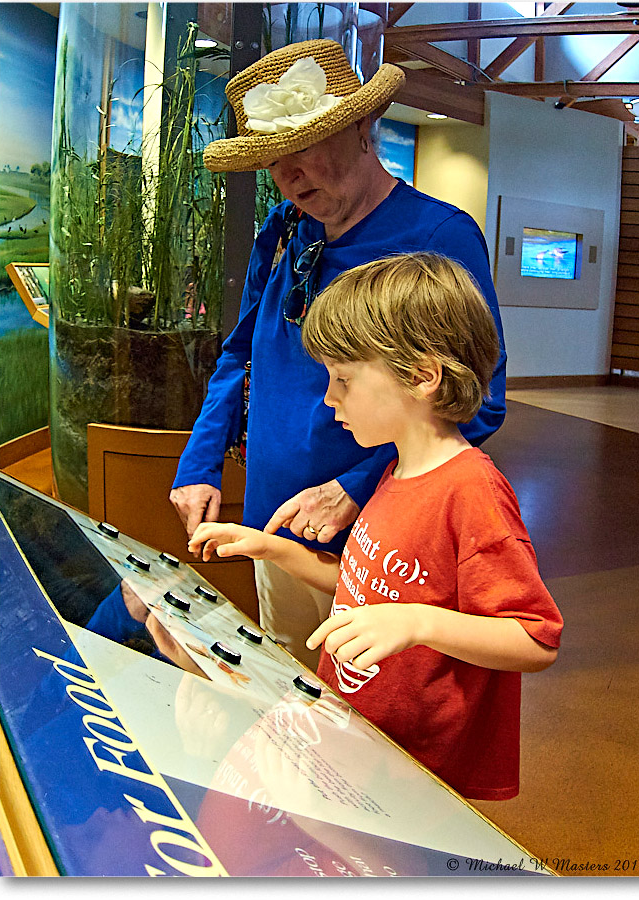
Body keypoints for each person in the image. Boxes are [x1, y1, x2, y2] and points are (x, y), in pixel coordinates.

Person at [170, 39, 508, 668]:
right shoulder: (282, 233)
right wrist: (200, 460)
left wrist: (355, 487)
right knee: (293, 692)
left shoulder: (437, 236)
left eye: (304, 148)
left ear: (361, 128)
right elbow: (241, 349)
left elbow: (478, 398)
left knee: (370, 719)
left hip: (377, 536)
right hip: (273, 523)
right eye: (273, 161)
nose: (290, 175)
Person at [187, 252, 563, 801]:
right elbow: (367, 586)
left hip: (419, 771)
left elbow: (535, 637)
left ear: (422, 377)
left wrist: (418, 624)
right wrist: (271, 549)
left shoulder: (472, 492)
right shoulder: (396, 468)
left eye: (343, 379)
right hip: (359, 740)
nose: (329, 397)